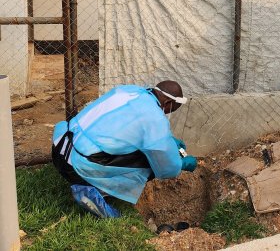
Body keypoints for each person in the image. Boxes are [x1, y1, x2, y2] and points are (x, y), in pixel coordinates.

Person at [51, 80, 198, 218]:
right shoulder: (155, 118)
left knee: (141, 150)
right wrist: (183, 164)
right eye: (171, 110)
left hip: (61, 148)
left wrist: (170, 141)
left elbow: (125, 127)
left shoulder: (128, 91)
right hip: (78, 167)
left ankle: (89, 183)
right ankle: (94, 191)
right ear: (168, 103)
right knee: (151, 162)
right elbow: (167, 168)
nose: (167, 114)